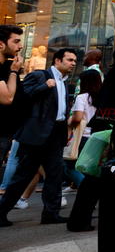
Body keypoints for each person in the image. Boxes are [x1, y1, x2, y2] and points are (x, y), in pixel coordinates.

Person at [0, 47, 78, 227]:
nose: (73, 64)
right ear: (57, 61)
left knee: (55, 175)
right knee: (23, 176)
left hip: (55, 134)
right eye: (69, 60)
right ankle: (1, 212)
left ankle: (51, 213)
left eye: (74, 60)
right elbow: (22, 96)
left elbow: (60, 109)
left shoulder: (65, 81)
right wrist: (45, 86)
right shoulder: (40, 76)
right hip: (36, 135)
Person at [64, 70, 102, 189]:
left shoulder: (82, 97)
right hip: (98, 136)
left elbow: (77, 118)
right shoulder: (102, 97)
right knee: (90, 167)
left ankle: (87, 189)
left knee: (69, 167)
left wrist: (70, 121)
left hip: (83, 136)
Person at [0, 25, 24, 192]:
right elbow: (7, 97)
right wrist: (14, 72)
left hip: (6, 131)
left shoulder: (4, 67)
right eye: (15, 41)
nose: (20, 46)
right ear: (1, 44)